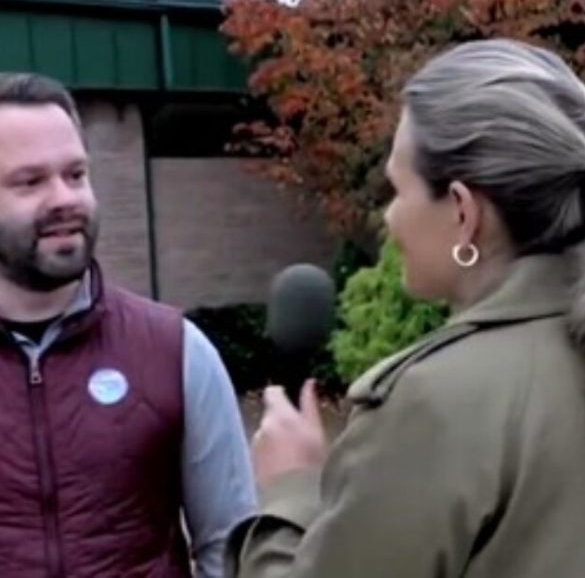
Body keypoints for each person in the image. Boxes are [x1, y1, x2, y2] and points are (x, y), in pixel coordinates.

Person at [226, 38, 585, 578]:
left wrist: (289, 489)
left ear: (463, 212)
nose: (390, 217)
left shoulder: (438, 403)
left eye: (397, 189)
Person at [0, 73, 256, 577]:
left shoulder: (176, 352)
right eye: (30, 181)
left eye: (76, 174)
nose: (64, 198)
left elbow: (230, 549)